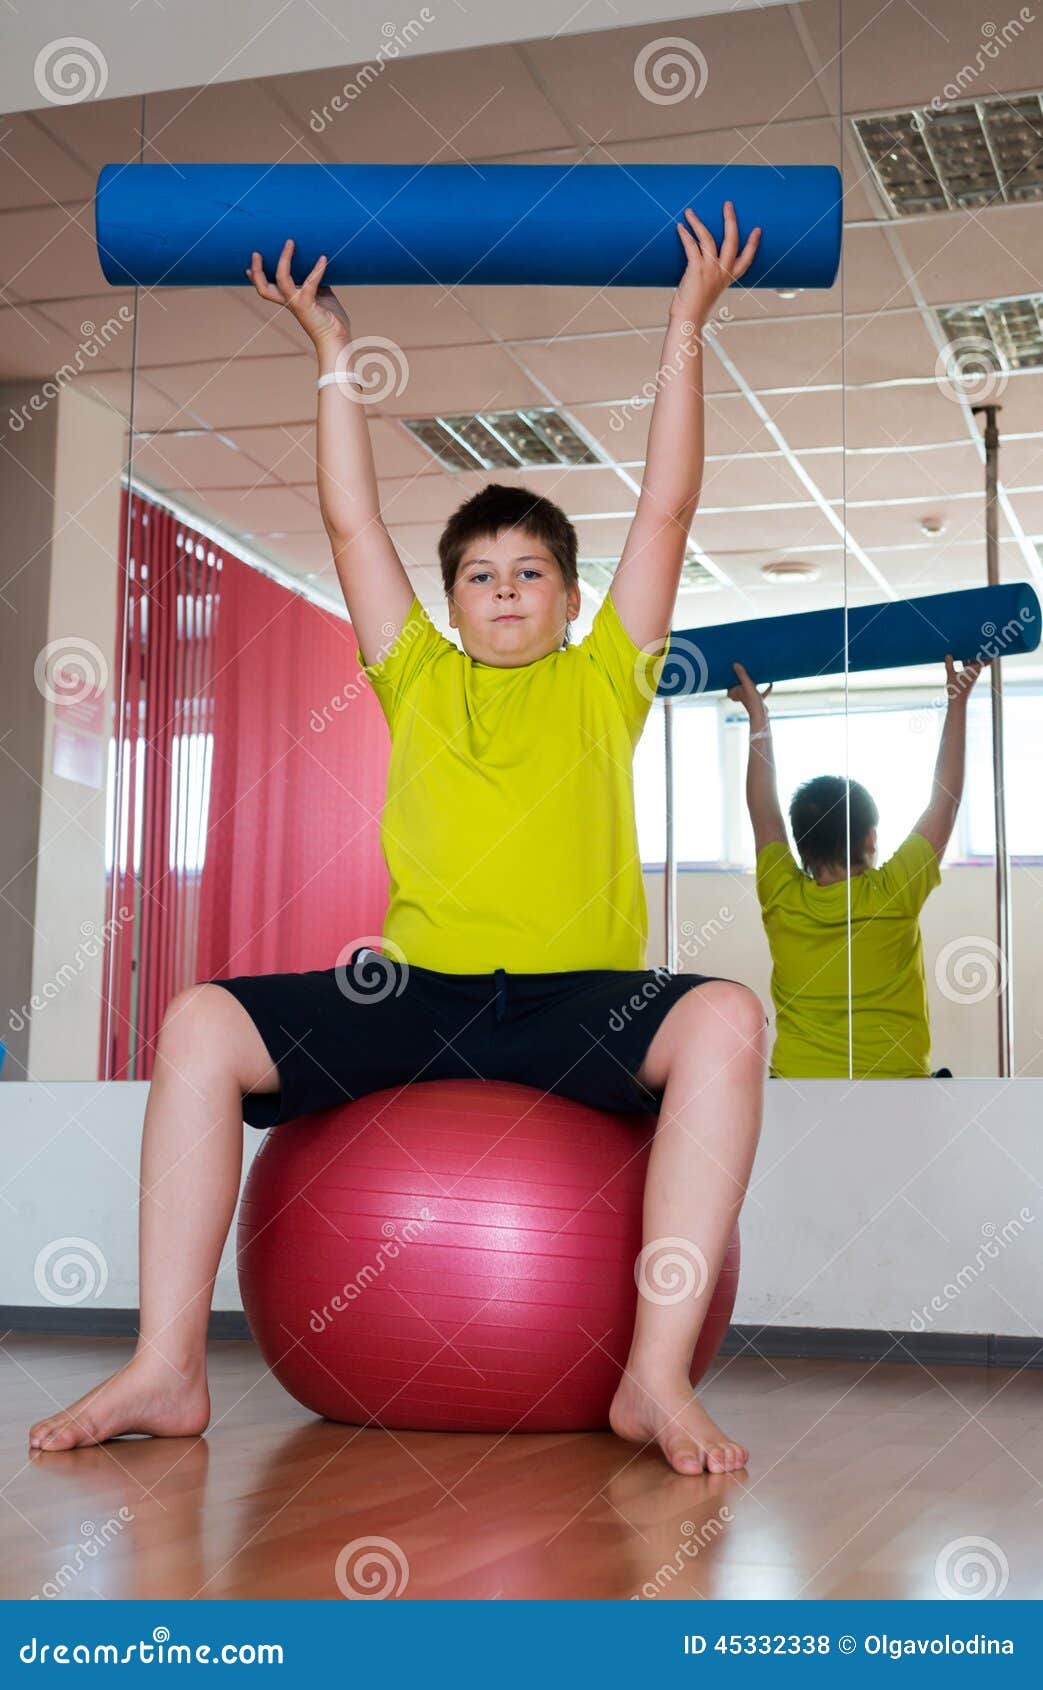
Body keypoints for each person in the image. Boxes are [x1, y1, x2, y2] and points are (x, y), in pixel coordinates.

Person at [31, 205, 769, 1477]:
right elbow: (350, 527)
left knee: (725, 1018)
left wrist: (683, 323)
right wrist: (330, 350)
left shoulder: (606, 682)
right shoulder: (414, 676)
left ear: (570, 598)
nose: (501, 589)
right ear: (445, 602)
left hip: (578, 1006)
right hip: (414, 995)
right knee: (201, 1020)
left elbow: (664, 510)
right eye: (477, 573)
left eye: (527, 570)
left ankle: (651, 1376)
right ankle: (165, 1362)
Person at [728, 653, 985, 1079]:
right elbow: (945, 799)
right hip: (894, 1091)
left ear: (802, 844)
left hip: (798, 1090)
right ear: (869, 838)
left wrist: (758, 716)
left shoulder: (781, 894)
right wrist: (958, 700)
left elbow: (763, 812)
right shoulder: (895, 892)